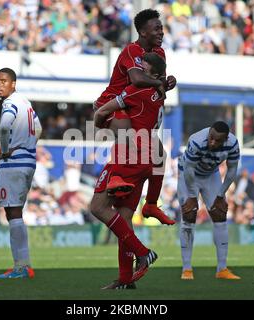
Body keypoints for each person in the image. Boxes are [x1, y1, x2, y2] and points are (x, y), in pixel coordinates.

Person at [93, 8, 177, 225]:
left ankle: (150, 204)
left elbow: (155, 89)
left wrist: (166, 84)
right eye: (156, 28)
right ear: (142, 31)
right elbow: (138, 79)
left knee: (160, 154)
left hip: (134, 107)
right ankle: (116, 177)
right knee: (126, 132)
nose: (161, 32)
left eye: (161, 28)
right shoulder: (132, 50)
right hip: (113, 104)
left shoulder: (159, 53)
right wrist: (158, 83)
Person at [91, 53, 166, 289]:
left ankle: (143, 253)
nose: (137, 69)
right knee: (123, 216)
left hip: (131, 156)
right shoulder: (157, 93)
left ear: (152, 73)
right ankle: (125, 279)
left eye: (142, 66)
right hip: (147, 158)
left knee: (98, 207)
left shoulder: (136, 90)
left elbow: (102, 111)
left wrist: (99, 119)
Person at [0, 68, 42, 279]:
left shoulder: (10, 103)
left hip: (13, 163)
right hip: (28, 161)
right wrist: (28, 146)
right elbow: (38, 129)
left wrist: (5, 150)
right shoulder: (26, 103)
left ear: (13, 83)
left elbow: (4, 127)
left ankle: (21, 267)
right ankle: (24, 265)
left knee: (12, 213)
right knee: (16, 213)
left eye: (3, 81)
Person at [178, 121, 241, 280]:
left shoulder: (233, 144)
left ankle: (222, 269)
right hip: (188, 175)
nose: (212, 142)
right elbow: (189, 169)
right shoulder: (197, 140)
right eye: (211, 138)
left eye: (217, 140)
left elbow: (232, 169)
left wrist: (221, 195)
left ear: (226, 139)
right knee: (189, 215)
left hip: (211, 175)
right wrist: (193, 197)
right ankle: (187, 269)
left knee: (220, 215)